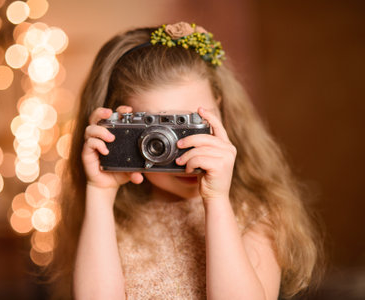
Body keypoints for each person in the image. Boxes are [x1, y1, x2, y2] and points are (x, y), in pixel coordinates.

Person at [49, 22, 323, 299]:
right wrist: (99, 192)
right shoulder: (110, 223)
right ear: (119, 130)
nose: (182, 148)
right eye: (156, 132)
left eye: (192, 125)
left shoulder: (255, 214)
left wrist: (216, 201)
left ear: (223, 110)